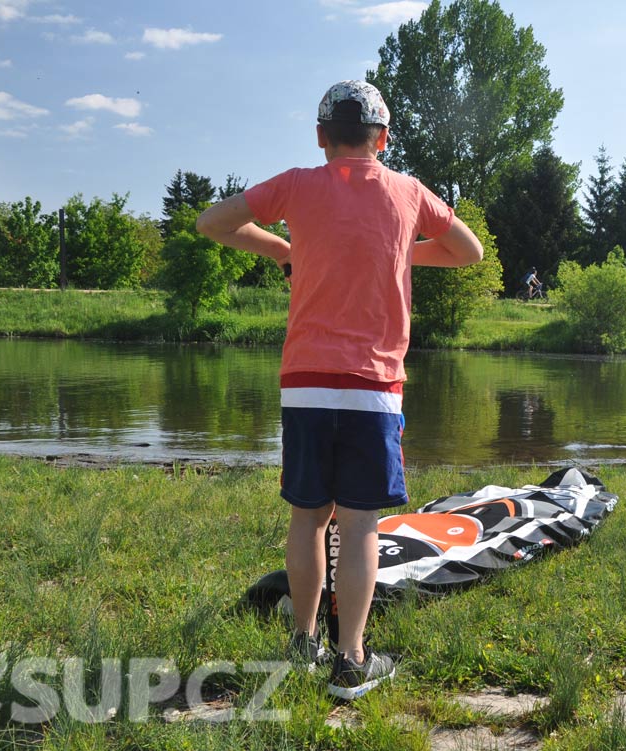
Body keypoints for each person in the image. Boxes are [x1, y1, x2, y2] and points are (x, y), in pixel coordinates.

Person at [197, 80, 483, 700]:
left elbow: (212, 222)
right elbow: (470, 252)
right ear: (383, 138)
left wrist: (283, 249)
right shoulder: (408, 192)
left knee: (307, 518)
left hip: (305, 383)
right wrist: (402, 250)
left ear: (322, 137)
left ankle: (303, 647)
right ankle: (350, 661)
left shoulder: (299, 184)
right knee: (359, 526)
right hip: (375, 388)